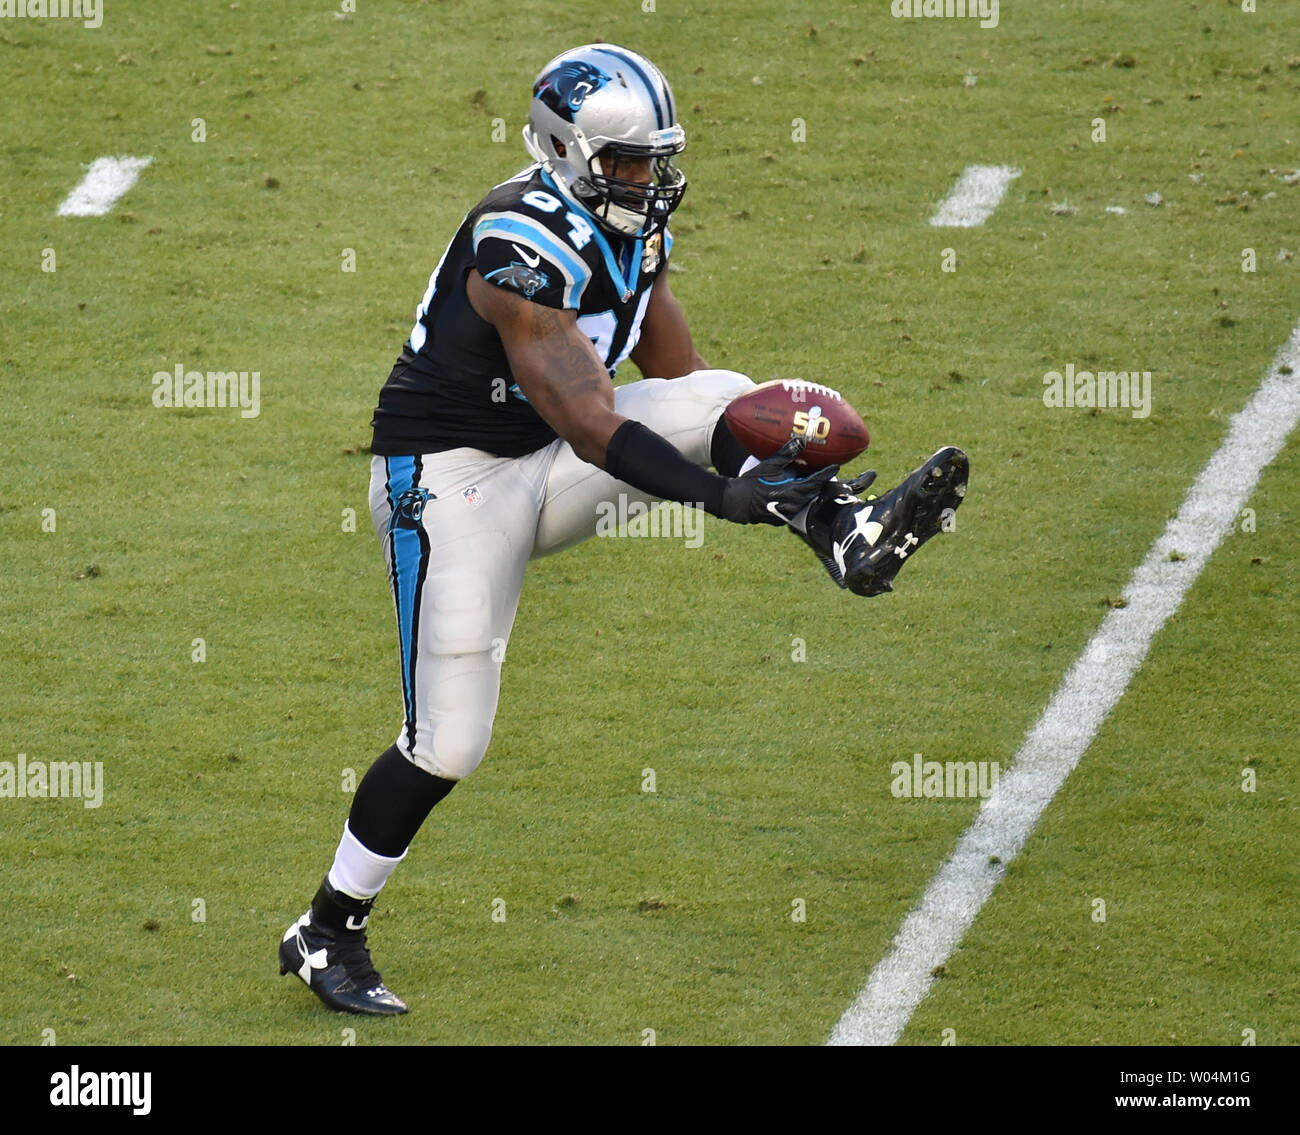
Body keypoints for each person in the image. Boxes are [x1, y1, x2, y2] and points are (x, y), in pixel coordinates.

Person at [279, 43, 967, 1015]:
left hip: (544, 460)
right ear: (566, 153)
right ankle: (325, 928)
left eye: (656, 160)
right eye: (629, 163)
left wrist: (753, 447)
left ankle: (845, 531)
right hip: (450, 486)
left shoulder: (627, 227)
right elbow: (594, 426)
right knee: (447, 742)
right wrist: (716, 494)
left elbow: (670, 376)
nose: (648, 181)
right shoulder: (516, 245)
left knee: (728, 395)